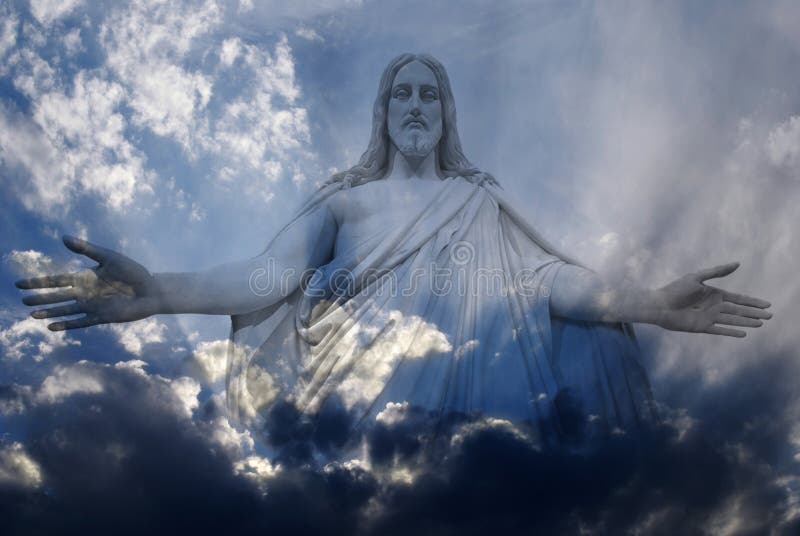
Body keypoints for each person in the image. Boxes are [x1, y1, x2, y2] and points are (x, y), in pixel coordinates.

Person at [15, 53, 771, 445]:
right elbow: (268, 278)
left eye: (429, 94)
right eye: (402, 94)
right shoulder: (346, 198)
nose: (416, 105)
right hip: (359, 387)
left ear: (447, 113)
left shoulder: (480, 198)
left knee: (600, 346)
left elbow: (548, 284)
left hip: (469, 387)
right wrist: (159, 291)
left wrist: (651, 305)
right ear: (384, 112)